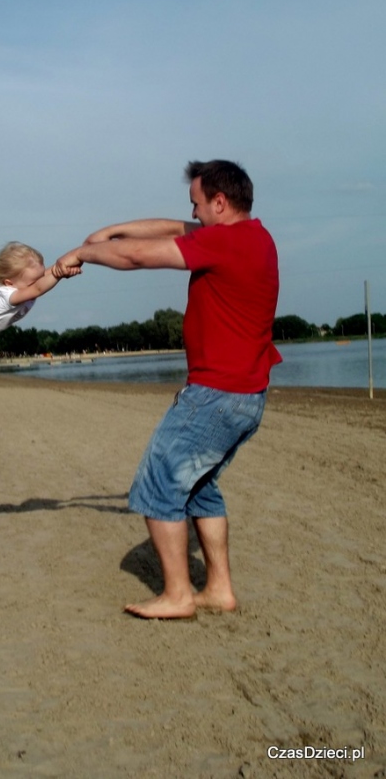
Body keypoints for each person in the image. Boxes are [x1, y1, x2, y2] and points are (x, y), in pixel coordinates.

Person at [55, 160, 281, 619]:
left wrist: (81, 254)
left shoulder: (222, 242)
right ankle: (218, 589)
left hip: (215, 395)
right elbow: (166, 227)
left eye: (197, 204)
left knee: (157, 485)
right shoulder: (254, 236)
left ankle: (178, 594)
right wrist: (109, 231)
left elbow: (138, 256)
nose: (192, 213)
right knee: (200, 489)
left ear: (220, 203)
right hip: (246, 395)